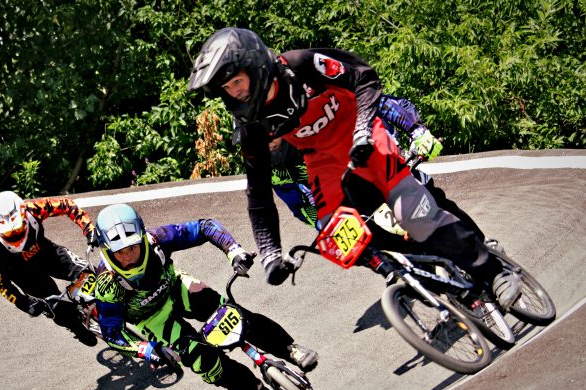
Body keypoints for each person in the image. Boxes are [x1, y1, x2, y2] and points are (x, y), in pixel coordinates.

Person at [187, 27, 520, 309]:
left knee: (414, 213)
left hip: (363, 134)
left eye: (237, 82)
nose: (235, 93)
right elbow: (258, 193)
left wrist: (364, 128)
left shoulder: (300, 65)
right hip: (323, 161)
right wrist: (270, 253)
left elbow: (364, 77)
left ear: (255, 65)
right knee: (336, 239)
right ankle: (411, 278)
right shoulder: (252, 126)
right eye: (227, 89)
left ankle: (493, 272)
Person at [92, 203, 318, 390]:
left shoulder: (157, 239)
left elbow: (204, 227)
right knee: (206, 362)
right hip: (153, 319)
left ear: (142, 237)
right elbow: (112, 333)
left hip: (176, 288)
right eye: (120, 252)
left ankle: (290, 349)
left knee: (235, 316)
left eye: (133, 247)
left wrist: (234, 251)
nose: (129, 257)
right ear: (107, 252)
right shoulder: (107, 286)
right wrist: (146, 349)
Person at [270, 95, 486, 241]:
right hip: (358, 203)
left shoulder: (318, 106)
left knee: (430, 200)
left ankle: (484, 247)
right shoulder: (273, 170)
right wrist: (327, 227)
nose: (266, 147)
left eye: (269, 139)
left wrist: (417, 131)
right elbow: (302, 207)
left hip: (384, 161)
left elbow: (381, 102)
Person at [0, 191, 98, 347]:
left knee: (91, 275)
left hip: (49, 255)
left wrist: (89, 229)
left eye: (17, 228)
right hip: (26, 276)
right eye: (8, 232)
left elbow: (66, 205)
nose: (15, 234)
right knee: (58, 311)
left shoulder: (33, 209)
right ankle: (75, 327)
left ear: (24, 215)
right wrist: (23, 303)